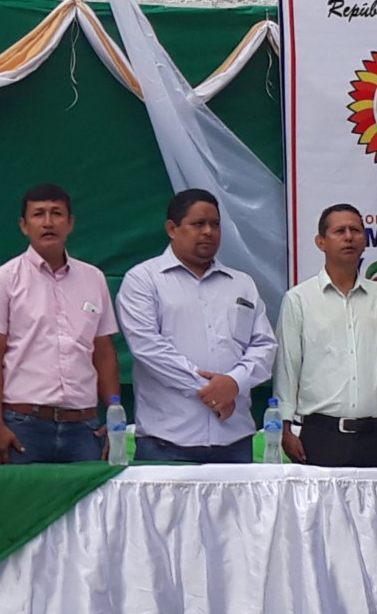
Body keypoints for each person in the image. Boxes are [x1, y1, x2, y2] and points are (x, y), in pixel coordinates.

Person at [115, 188, 275, 464]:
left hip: (234, 440)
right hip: (167, 440)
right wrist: (214, 391)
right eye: (198, 224)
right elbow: (148, 348)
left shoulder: (242, 283)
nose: (208, 232)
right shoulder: (143, 280)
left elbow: (264, 346)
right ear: (172, 229)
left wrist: (234, 383)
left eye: (215, 224)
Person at [0, 184, 119, 464]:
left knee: (88, 508)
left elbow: (103, 352)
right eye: (38, 214)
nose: (48, 222)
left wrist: (115, 416)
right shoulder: (2, 279)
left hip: (84, 426)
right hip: (23, 423)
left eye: (57, 213)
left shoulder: (94, 278)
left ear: (70, 223)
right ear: (24, 225)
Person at [275, 203, 377, 468]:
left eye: (356, 230)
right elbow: (288, 369)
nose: (349, 237)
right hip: (321, 436)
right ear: (320, 242)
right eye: (339, 231)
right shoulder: (299, 299)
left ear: (365, 240)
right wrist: (285, 430)